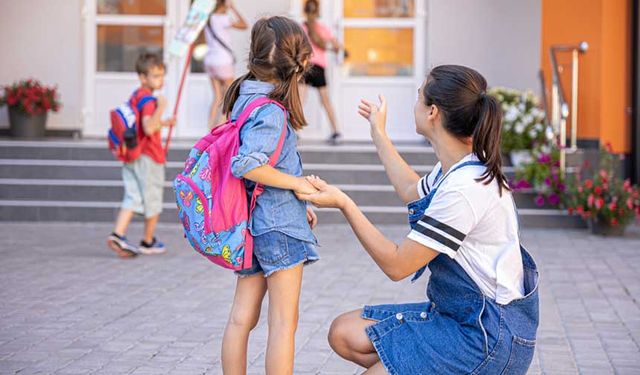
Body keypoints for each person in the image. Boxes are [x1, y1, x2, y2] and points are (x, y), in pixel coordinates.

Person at [298, 65, 539, 374]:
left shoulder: (466, 189)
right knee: (345, 333)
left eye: (418, 96)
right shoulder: (456, 168)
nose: (414, 103)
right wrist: (378, 133)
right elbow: (411, 191)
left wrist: (345, 203)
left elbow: (397, 266)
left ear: (432, 112)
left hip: (486, 337)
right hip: (457, 318)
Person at [220, 16, 320, 375]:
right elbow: (247, 165)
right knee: (283, 325)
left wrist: (299, 203)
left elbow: (269, 163)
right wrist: (297, 186)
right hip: (278, 227)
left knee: (240, 320)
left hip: (253, 224)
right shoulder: (272, 111)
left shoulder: (243, 96)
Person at [107, 53, 176, 258]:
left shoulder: (137, 95)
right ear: (142, 77)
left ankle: (118, 234)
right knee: (153, 199)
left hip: (132, 153)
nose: (160, 80)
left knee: (133, 196)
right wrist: (161, 107)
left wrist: (164, 123)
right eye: (155, 76)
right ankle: (148, 240)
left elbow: (142, 124)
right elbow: (147, 127)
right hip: (149, 157)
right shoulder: (149, 100)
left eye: (162, 75)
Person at [300, 0, 343, 144]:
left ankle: (293, 131)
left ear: (305, 11)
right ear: (318, 12)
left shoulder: (301, 28)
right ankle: (336, 131)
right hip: (318, 68)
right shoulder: (322, 29)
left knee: (299, 101)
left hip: (305, 66)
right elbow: (337, 46)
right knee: (326, 101)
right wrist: (330, 47)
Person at [204, 0, 247, 128]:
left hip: (210, 60)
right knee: (228, 96)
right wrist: (233, 8)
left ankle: (210, 127)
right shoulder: (223, 18)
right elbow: (244, 25)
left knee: (217, 96)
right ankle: (219, 127)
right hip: (223, 61)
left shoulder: (208, 19)